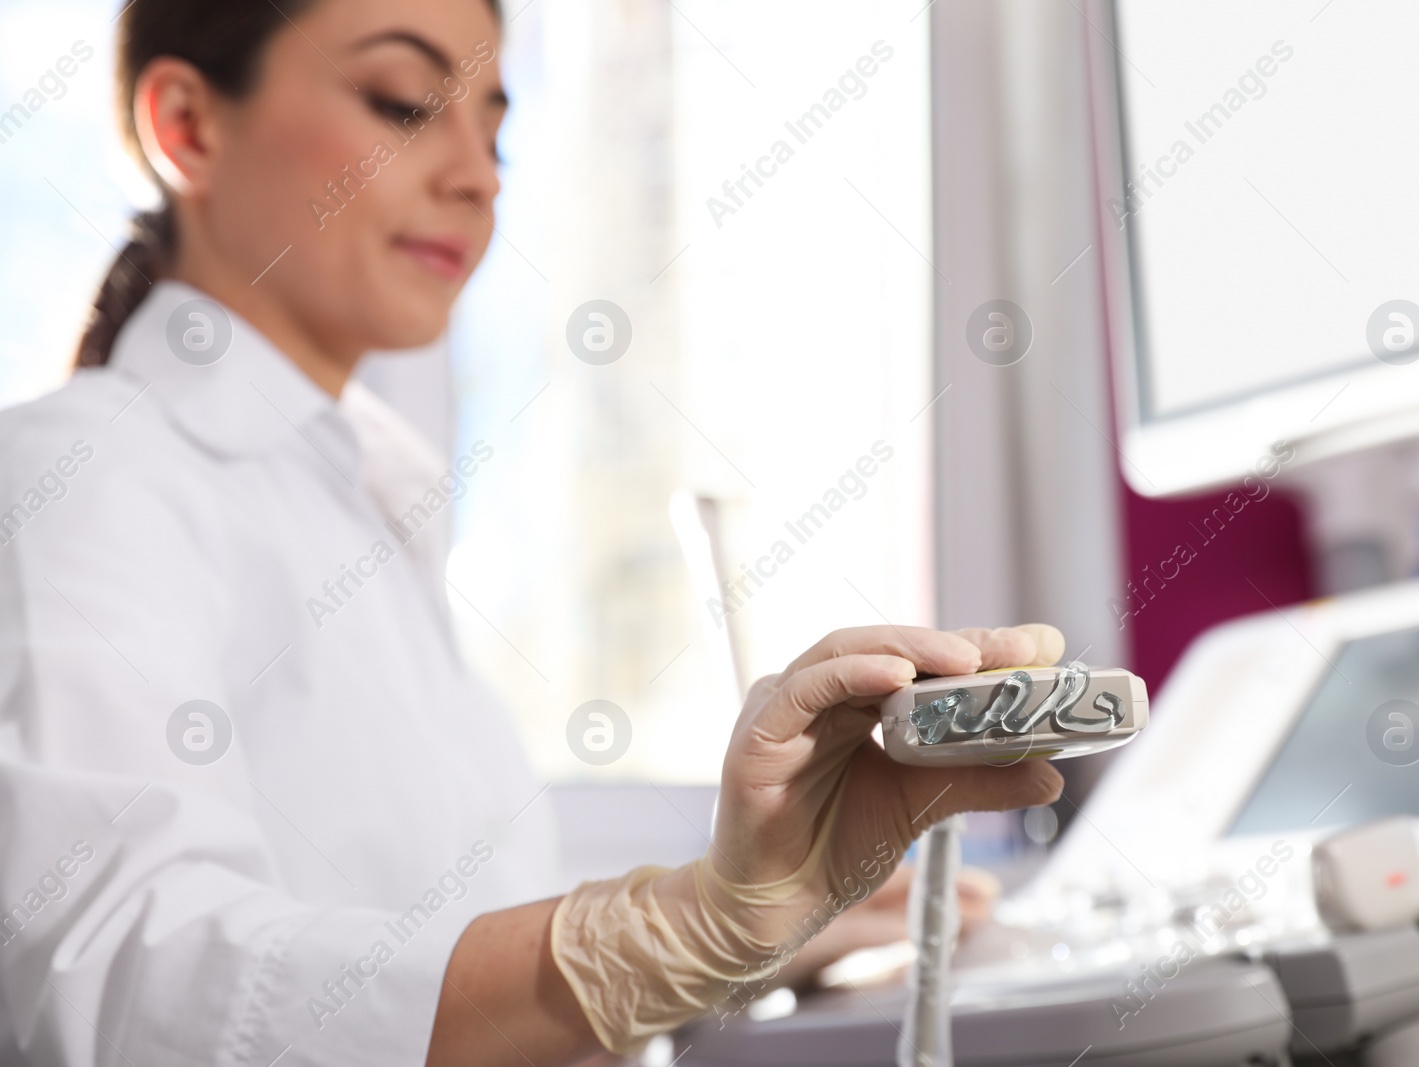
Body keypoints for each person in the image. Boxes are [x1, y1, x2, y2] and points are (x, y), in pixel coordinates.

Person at [0, 1, 1067, 1063]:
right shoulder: (86, 472)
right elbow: (123, 984)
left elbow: (417, 977)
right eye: (405, 103)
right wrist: (671, 932)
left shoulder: (358, 507)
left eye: (495, 127)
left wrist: (739, 948)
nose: (479, 175)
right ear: (187, 123)